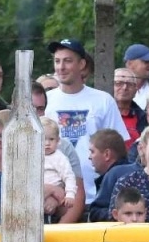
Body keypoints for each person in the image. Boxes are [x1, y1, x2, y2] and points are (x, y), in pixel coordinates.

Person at [45, 38, 124, 198]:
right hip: (55, 196)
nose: (61, 67)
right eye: (57, 61)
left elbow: (117, 150)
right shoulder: (45, 101)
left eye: (67, 61)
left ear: (81, 65)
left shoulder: (103, 100)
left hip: (96, 194)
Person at [40, 116, 79, 220]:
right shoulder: (32, 156)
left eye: (51, 139)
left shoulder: (60, 158)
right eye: (42, 139)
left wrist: (70, 194)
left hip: (56, 196)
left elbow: (69, 176)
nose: (47, 143)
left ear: (58, 141)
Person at [112, 68, 146, 150]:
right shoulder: (101, 112)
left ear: (136, 90)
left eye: (129, 84)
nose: (124, 87)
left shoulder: (144, 118)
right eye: (118, 83)